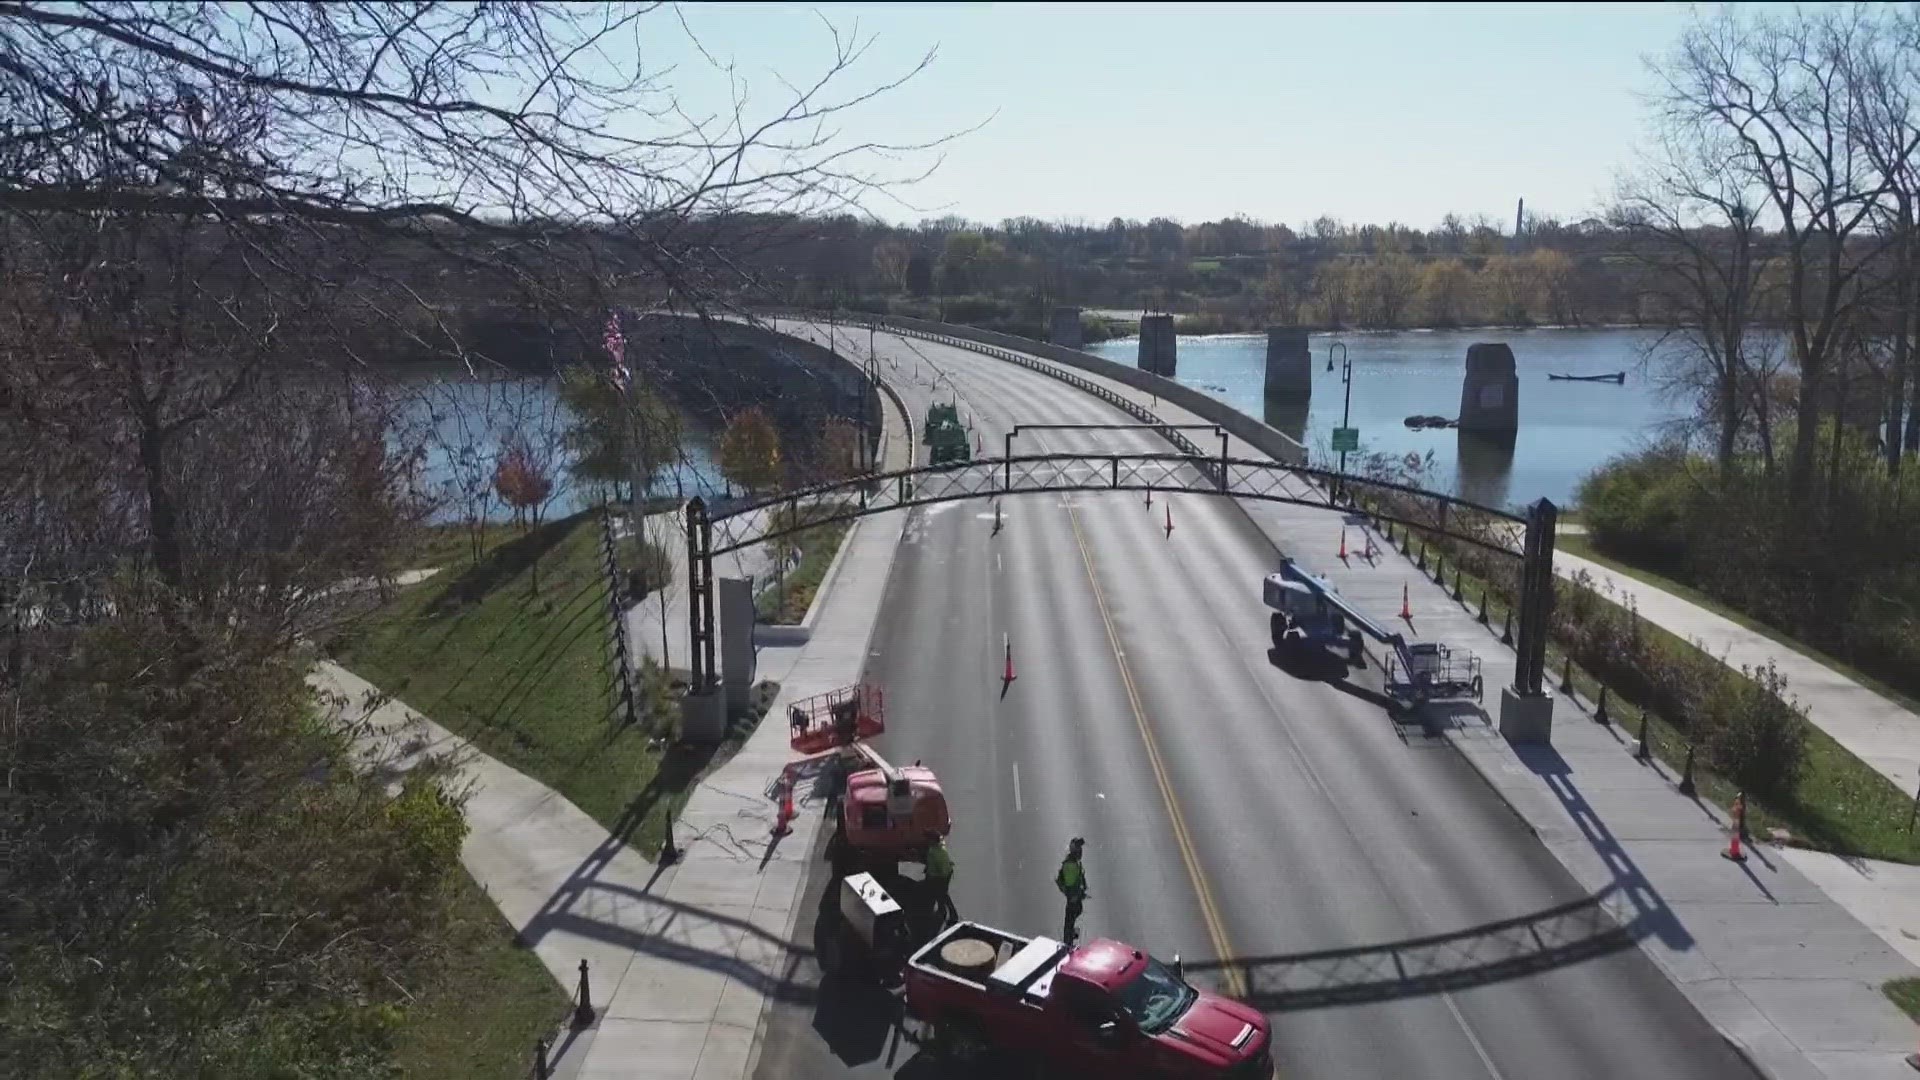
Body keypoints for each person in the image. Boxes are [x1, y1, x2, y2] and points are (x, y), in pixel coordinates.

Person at [1055, 837, 1089, 943]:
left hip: (1074, 898)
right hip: (1073, 898)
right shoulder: (1071, 865)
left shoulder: (1074, 863)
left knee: (1072, 916)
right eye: (1080, 850)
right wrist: (1077, 893)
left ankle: (1069, 937)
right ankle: (1068, 942)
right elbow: (1071, 884)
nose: (1081, 853)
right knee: (1071, 919)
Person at [923, 829, 954, 926]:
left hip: (940, 876)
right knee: (940, 895)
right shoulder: (935, 848)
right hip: (939, 875)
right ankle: (942, 911)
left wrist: (940, 879)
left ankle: (952, 914)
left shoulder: (937, 852)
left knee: (942, 895)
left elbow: (942, 868)